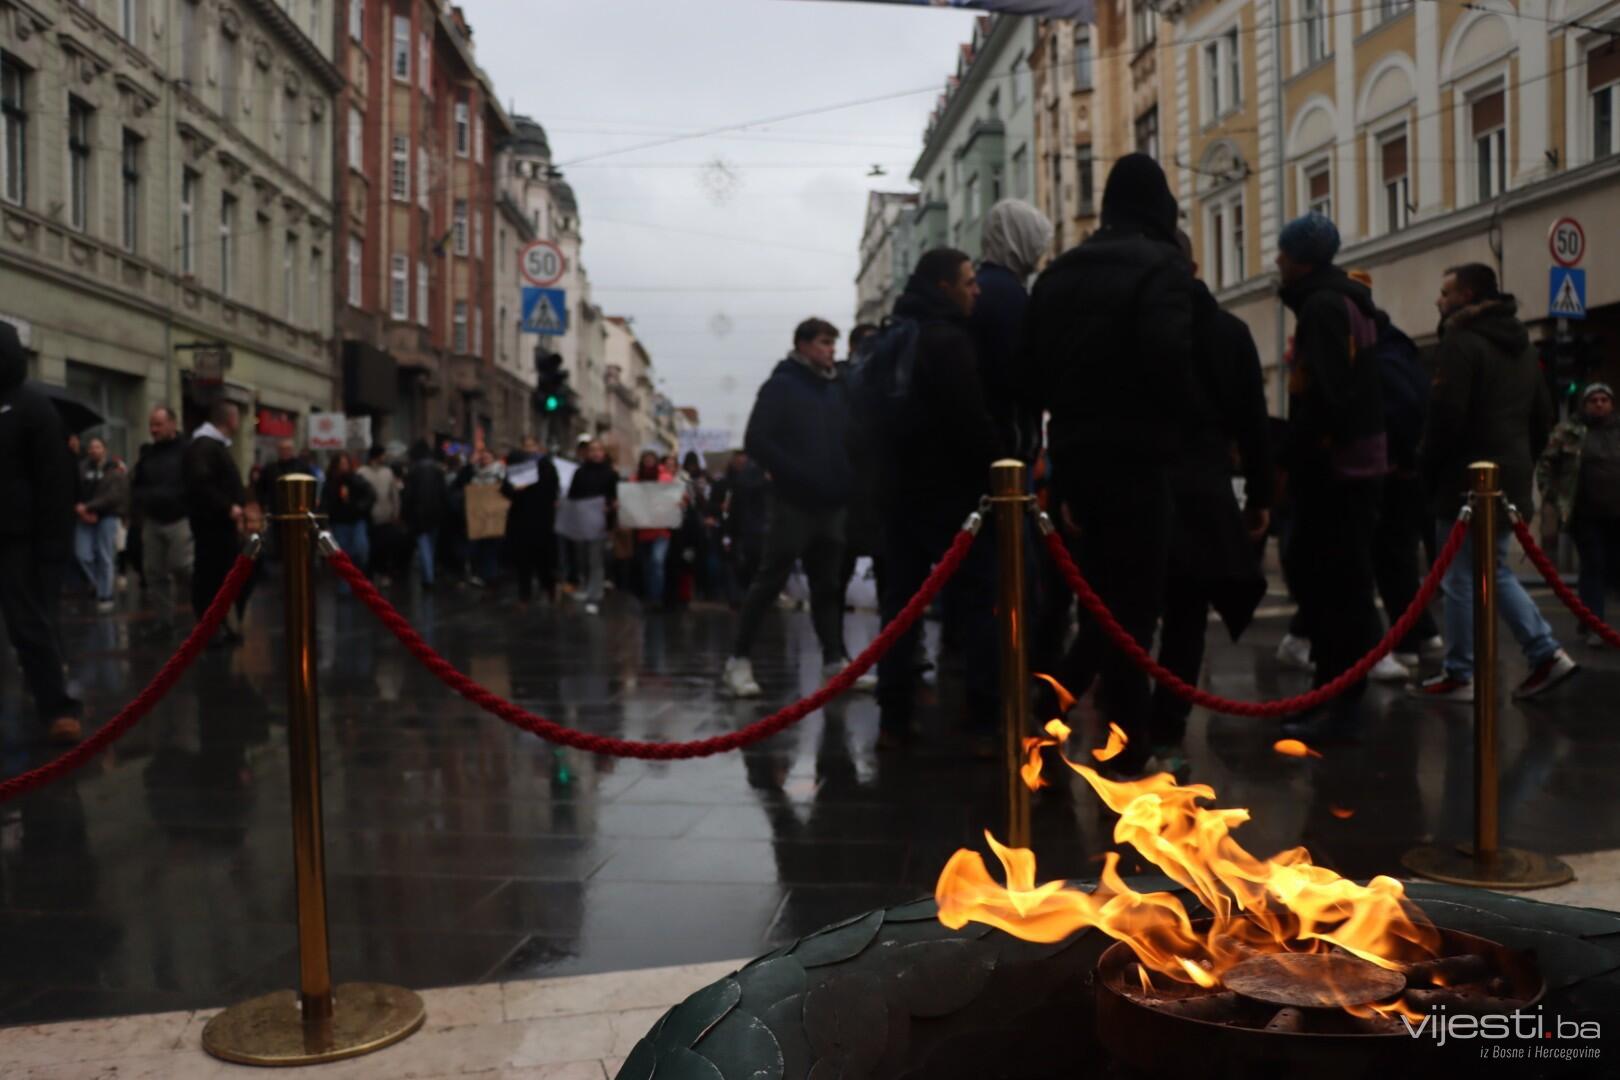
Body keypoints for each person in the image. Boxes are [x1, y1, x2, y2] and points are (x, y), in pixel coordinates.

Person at [1018, 154, 1199, 775]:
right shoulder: (1163, 267)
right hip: (1141, 460)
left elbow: (1034, 376)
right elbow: (1170, 362)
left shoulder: (1058, 275)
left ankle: (1062, 706)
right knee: (1134, 611)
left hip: (1074, 463)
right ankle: (1125, 746)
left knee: (1099, 603)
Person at [1410, 263, 1576, 701]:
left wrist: (1425, 465)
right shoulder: (1521, 346)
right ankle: (1542, 652)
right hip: (1510, 477)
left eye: (1446, 293)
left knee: (1461, 579)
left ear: (1466, 296)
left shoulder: (1460, 342)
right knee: (1492, 570)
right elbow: (1542, 415)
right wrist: (1520, 461)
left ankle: (1462, 671)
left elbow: (1445, 415)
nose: (1439, 301)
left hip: (1465, 480)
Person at [1150, 232, 1272, 769]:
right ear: (1194, 264)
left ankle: (1127, 724)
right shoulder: (1227, 331)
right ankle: (1167, 730)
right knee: (1186, 616)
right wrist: (1260, 496)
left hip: (1140, 484)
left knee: (1124, 613)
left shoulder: (1134, 330)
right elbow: (1253, 423)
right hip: (1201, 489)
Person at [873, 249, 1001, 748]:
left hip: (897, 493)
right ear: (945, 286)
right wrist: (1002, 462)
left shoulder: (893, 336)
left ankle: (893, 717)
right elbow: (970, 420)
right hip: (952, 496)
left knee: (900, 608)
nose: (977, 290)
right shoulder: (947, 341)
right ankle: (985, 718)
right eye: (968, 282)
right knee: (976, 605)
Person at [1269, 212, 1386, 743]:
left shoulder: (1320, 307)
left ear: (1304, 258)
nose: (1277, 261)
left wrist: (1295, 457)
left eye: (1284, 252)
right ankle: (1337, 692)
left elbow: (1326, 395)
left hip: (1333, 472)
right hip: (1358, 466)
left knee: (1327, 584)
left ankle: (1335, 698)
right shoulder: (1350, 302)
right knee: (1346, 585)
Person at [722, 318, 870, 698]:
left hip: (832, 503)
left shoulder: (837, 388)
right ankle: (738, 660)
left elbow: (852, 436)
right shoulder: (782, 386)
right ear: (802, 345)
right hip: (794, 504)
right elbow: (757, 438)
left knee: (827, 586)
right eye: (823, 343)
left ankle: (835, 661)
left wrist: (848, 475)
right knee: (770, 581)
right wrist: (794, 475)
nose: (830, 352)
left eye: (833, 345)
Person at [0, 323, 83, 742]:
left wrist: (53, 547)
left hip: (21, 541)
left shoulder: (33, 409)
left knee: (29, 626)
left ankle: (59, 709)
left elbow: (54, 483)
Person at [1538, 383, 1620, 643]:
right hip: (1585, 514)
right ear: (1584, 405)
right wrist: (1553, 496)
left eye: (1604, 399)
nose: (1599, 404)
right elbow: (1546, 465)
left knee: (1615, 567)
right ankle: (1594, 624)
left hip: (1616, 514)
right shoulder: (1568, 432)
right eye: (1593, 399)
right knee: (1593, 565)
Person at [973, 199, 1053, 459]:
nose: (1040, 251)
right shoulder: (1008, 295)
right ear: (1018, 238)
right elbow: (1022, 372)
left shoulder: (981, 285)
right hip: (1008, 439)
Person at [183, 399, 246, 642]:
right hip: (212, 525)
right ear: (230, 420)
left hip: (219, 524)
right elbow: (202, 484)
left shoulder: (213, 446)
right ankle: (210, 627)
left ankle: (219, 623)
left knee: (221, 575)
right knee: (210, 575)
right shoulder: (204, 447)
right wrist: (228, 507)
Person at [130, 406, 194, 619]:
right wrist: (140, 502)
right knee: (154, 572)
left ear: (172, 424)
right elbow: (137, 483)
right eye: (151, 425)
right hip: (153, 519)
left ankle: (209, 605)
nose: (153, 429)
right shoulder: (148, 453)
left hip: (180, 518)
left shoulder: (187, 451)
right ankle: (164, 620)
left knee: (183, 566)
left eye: (158, 424)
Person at [502, 435, 561, 609]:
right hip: (521, 519)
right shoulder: (516, 466)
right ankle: (524, 595)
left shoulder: (546, 466)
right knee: (523, 560)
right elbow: (506, 489)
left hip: (541, 519)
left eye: (532, 445)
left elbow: (553, 490)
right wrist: (515, 489)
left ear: (537, 447)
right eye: (526, 446)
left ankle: (549, 586)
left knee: (543, 559)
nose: (529, 449)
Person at [74, 436, 129, 613]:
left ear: (104, 449)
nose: (94, 450)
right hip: (85, 516)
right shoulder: (82, 468)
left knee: (105, 555)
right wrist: (81, 509)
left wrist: (91, 507)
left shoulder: (114, 469)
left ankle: (105, 594)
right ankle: (99, 582)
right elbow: (75, 489)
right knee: (82, 554)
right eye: (91, 447)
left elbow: (113, 496)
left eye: (97, 447)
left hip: (107, 516)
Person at [566, 438, 619, 615]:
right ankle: (587, 587)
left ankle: (594, 595)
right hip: (581, 521)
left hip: (600, 522)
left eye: (599, 450)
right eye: (592, 450)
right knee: (582, 558)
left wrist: (610, 509)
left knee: (595, 559)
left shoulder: (611, 474)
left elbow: (615, 498)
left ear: (603, 453)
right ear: (587, 453)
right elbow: (572, 496)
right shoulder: (579, 473)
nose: (596, 453)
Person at [718, 451, 769, 605]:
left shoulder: (742, 481)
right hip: (752, 530)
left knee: (746, 564)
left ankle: (743, 598)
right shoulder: (759, 481)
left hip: (749, 529)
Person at [632, 449, 679, 611]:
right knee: (647, 565)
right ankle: (650, 596)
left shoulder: (665, 478)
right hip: (644, 530)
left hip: (661, 529)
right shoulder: (636, 479)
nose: (649, 462)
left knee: (657, 561)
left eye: (652, 459)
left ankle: (656, 598)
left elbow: (678, 498)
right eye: (646, 459)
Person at [319, 451, 375, 576]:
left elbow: (369, 494)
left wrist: (360, 507)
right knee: (344, 553)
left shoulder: (356, 479)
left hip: (356, 520)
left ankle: (357, 573)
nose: (343, 467)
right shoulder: (330, 483)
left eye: (345, 464)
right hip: (339, 522)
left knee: (360, 549)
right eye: (341, 464)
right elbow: (325, 503)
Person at [402, 440, 448, 588]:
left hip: (419, 514)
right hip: (436, 513)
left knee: (424, 545)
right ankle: (430, 573)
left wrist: (406, 513)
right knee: (431, 545)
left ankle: (428, 577)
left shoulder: (414, 470)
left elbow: (408, 495)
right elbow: (444, 493)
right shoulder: (437, 469)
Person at [357, 445, 403, 583]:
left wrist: (396, 512)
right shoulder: (362, 473)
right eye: (383, 455)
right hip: (368, 517)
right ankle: (369, 574)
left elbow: (394, 495)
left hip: (385, 517)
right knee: (370, 547)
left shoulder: (387, 472)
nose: (385, 457)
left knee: (384, 547)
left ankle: (382, 572)